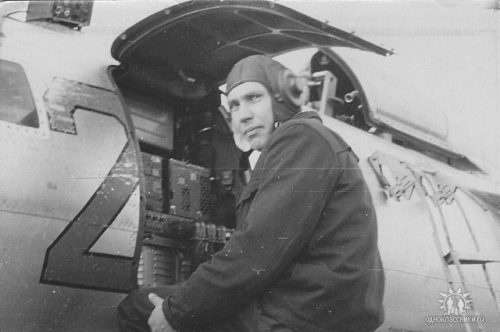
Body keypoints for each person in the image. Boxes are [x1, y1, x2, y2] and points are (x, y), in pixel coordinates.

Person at [117, 55, 385, 332]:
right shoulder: (308, 142)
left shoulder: (302, 138)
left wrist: (176, 313)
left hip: (296, 315)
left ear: (282, 97)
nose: (242, 115)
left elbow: (256, 251)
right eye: (233, 105)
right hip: (306, 309)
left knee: (139, 308)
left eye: (254, 98)